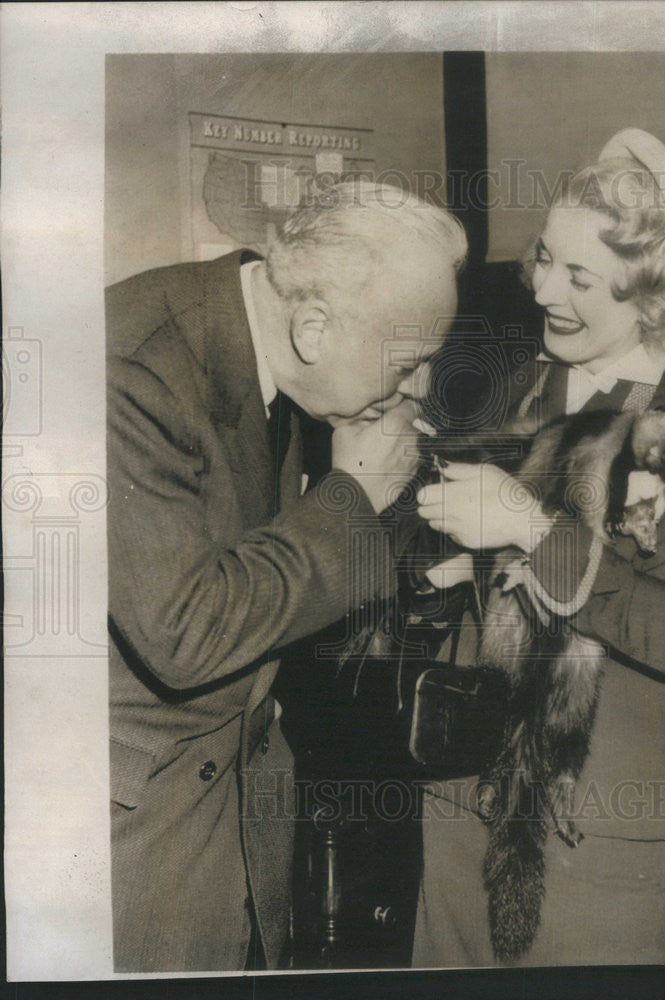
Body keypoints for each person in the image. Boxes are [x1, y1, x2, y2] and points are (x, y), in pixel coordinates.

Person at [412, 129, 665, 966]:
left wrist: (530, 530)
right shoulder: (514, 391)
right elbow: (446, 586)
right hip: (463, 795)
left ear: (654, 298)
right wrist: (432, 574)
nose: (543, 289)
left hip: (596, 816)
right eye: (542, 259)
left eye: (578, 277)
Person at [106, 181, 467, 972]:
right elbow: (186, 634)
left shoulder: (282, 352)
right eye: (407, 364)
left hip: (242, 805)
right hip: (137, 834)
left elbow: (276, 571)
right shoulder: (130, 369)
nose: (414, 390)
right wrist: (355, 499)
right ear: (311, 327)